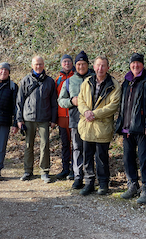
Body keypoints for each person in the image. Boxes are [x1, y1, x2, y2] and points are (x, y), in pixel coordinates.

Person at [115, 53, 146, 203]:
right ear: (130, 65)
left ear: (143, 65)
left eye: (138, 63)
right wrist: (120, 123)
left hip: (142, 128)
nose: (135, 66)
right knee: (128, 158)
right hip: (127, 128)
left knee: (144, 159)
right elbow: (122, 105)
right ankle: (132, 185)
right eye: (133, 63)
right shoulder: (126, 81)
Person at [77, 55, 121, 196]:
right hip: (87, 126)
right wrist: (86, 112)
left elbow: (113, 106)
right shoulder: (87, 81)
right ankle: (89, 183)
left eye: (103, 66)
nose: (100, 68)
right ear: (94, 67)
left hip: (102, 127)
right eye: (98, 65)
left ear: (108, 68)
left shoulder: (114, 84)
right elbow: (81, 100)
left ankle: (103, 184)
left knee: (101, 158)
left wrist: (94, 114)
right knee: (87, 157)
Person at [16, 56, 58, 183]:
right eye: (36, 64)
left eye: (40, 64)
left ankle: (44, 171)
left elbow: (54, 102)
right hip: (28, 118)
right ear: (32, 65)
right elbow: (19, 101)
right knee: (29, 145)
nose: (38, 66)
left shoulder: (50, 81)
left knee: (45, 145)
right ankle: (27, 171)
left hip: (44, 118)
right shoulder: (25, 80)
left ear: (44, 65)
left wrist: (53, 119)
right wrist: (19, 119)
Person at [58, 51, 93, 189]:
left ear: (87, 65)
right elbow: (61, 100)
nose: (81, 66)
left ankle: (89, 175)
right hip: (75, 119)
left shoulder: (95, 78)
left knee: (90, 148)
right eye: (78, 64)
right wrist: (72, 101)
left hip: (92, 119)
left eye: (83, 64)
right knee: (77, 148)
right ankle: (78, 176)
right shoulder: (69, 81)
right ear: (75, 65)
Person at [55, 54, 75, 180]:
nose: (67, 64)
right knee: (64, 144)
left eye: (69, 61)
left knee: (75, 144)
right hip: (62, 116)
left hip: (74, 115)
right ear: (62, 64)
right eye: (65, 62)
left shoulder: (76, 76)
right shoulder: (58, 79)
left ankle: (75, 169)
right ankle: (65, 168)